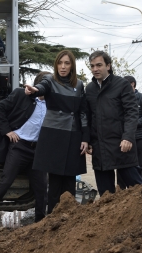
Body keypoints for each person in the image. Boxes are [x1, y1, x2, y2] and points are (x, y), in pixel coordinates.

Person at [0, 72, 50, 231]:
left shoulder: (53, 104)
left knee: (42, 187)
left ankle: (39, 223)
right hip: (20, 148)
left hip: (38, 150)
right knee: (6, 181)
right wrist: (7, 131)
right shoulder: (20, 95)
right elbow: (0, 108)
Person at [24, 50, 89, 214]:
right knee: (54, 183)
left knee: (70, 184)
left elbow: (83, 112)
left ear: (72, 66)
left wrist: (85, 138)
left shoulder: (79, 85)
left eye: (67, 63)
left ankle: (69, 221)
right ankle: (52, 220)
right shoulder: (50, 80)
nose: (63, 67)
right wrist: (34, 90)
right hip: (54, 135)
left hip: (73, 136)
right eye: (60, 63)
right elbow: (42, 87)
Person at [85, 50, 142, 197]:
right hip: (100, 149)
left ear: (108, 66)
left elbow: (132, 112)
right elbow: (89, 117)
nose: (95, 69)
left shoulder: (122, 85)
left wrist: (128, 137)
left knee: (137, 190)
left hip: (121, 145)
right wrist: (90, 140)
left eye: (99, 65)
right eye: (92, 66)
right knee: (106, 195)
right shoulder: (90, 89)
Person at [117, 76, 142, 189]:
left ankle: (140, 187)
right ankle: (121, 188)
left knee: (139, 162)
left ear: (132, 84)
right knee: (122, 162)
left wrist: (132, 124)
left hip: (139, 136)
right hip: (124, 136)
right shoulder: (120, 98)